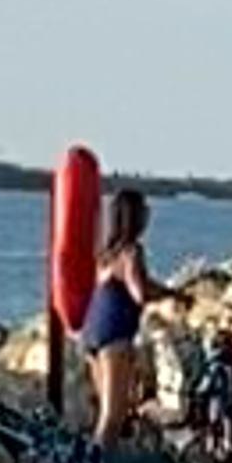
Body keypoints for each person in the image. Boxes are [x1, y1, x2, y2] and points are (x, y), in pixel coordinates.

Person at [76, 182, 158, 436]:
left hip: (92, 332)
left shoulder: (106, 253)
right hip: (115, 336)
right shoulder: (132, 251)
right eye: (145, 211)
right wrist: (167, 297)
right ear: (136, 217)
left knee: (107, 413)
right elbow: (139, 291)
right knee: (113, 417)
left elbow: (130, 281)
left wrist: (170, 291)